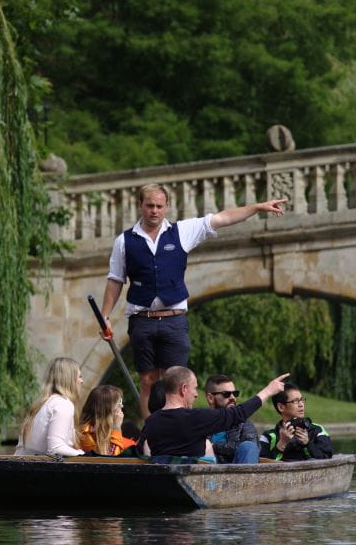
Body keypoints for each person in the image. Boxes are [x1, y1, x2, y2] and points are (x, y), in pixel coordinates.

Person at [100, 183, 287, 418]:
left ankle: (177, 429)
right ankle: (151, 432)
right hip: (142, 319)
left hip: (174, 319)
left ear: (167, 206)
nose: (154, 211)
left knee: (177, 381)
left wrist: (258, 207)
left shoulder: (182, 231)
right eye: (149, 206)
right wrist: (105, 315)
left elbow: (223, 218)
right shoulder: (125, 241)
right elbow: (116, 279)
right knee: (148, 380)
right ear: (140, 206)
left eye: (159, 206)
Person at [141, 366, 289, 463]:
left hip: (168, 480)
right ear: (183, 389)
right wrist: (268, 391)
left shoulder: (150, 422)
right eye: (195, 388)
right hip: (199, 482)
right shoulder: (195, 418)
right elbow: (239, 413)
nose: (196, 395)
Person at [14, 357, 85, 456]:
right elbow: (56, 448)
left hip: (21, 466)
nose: (82, 381)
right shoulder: (62, 404)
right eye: (80, 376)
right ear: (69, 379)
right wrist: (82, 455)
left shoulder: (42, 403)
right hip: (35, 468)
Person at [259, 383, 332, 461]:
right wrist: (281, 444)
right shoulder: (268, 437)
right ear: (281, 407)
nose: (301, 404)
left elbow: (327, 458)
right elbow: (262, 466)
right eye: (295, 401)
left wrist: (307, 444)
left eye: (302, 400)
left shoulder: (317, 430)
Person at [205, 374, 259, 464]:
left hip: (237, 470)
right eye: (226, 394)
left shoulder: (244, 424)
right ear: (210, 398)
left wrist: (214, 446)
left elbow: (251, 450)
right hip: (207, 471)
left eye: (235, 393)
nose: (233, 397)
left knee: (249, 446)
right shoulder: (201, 422)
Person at [77, 385, 138, 456]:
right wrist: (116, 427)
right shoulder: (85, 433)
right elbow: (110, 459)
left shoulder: (105, 431)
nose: (121, 406)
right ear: (107, 409)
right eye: (119, 403)